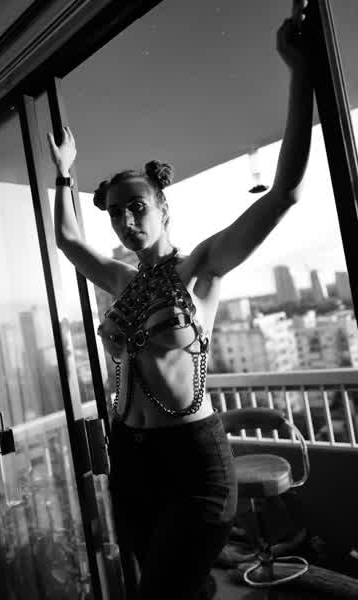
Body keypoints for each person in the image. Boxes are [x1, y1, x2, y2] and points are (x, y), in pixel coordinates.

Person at [47, 3, 312, 597]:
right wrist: (64, 172)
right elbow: (67, 239)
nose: (125, 220)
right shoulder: (120, 280)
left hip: (194, 462)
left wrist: (301, 73)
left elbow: (286, 193)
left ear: (164, 207)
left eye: (137, 207)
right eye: (116, 212)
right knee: (175, 588)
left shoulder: (201, 268)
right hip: (131, 457)